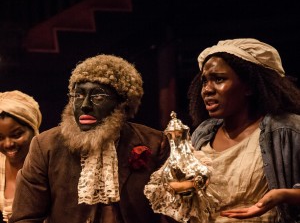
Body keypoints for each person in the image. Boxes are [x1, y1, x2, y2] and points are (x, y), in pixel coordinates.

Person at [9, 54, 177, 223]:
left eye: (98, 97)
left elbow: (172, 212)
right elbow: (25, 218)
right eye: (79, 95)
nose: (85, 105)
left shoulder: (154, 143)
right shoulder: (45, 146)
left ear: (122, 103)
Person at [170, 38, 300, 222]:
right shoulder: (202, 135)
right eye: (204, 81)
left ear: (249, 86)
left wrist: (285, 195)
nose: (207, 89)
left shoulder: (287, 130)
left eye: (219, 79)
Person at [0, 90, 42, 223]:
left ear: (33, 129)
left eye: (17, 135)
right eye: (0, 137)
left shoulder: (48, 168)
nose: (8, 144)